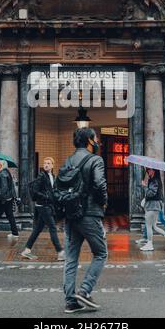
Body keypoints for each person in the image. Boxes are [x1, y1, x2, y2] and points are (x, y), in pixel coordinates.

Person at [62, 128, 108, 314]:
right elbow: (99, 183)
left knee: (71, 258)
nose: (97, 141)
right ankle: (85, 290)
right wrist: (104, 202)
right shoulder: (96, 160)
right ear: (89, 140)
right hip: (89, 214)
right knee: (101, 253)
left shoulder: (68, 160)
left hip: (71, 214)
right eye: (95, 138)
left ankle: (70, 301)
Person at [21, 157, 65, 261]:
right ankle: (60, 252)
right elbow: (35, 191)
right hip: (43, 206)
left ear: (52, 165)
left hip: (47, 206)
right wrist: (46, 196)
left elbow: (52, 191)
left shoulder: (52, 176)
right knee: (53, 228)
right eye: (45, 163)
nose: (46, 165)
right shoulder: (41, 176)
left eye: (48, 163)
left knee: (37, 229)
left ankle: (27, 250)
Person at [139, 169, 165, 252]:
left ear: (154, 171)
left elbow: (151, 193)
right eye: (147, 170)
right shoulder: (154, 180)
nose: (148, 171)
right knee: (154, 226)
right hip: (155, 205)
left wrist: (145, 187)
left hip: (152, 206)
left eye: (149, 170)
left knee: (148, 226)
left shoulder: (154, 181)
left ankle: (149, 244)